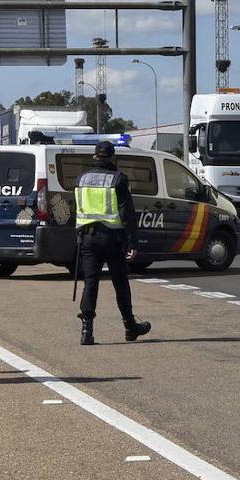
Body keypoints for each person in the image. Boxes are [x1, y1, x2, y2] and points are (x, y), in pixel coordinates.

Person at [75, 140, 151, 345]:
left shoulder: (81, 179)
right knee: (120, 283)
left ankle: (86, 331)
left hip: (88, 238)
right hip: (112, 239)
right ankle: (130, 327)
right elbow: (127, 214)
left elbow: (79, 209)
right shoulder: (118, 179)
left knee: (90, 283)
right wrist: (133, 242)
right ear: (112, 158)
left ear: (95, 157)